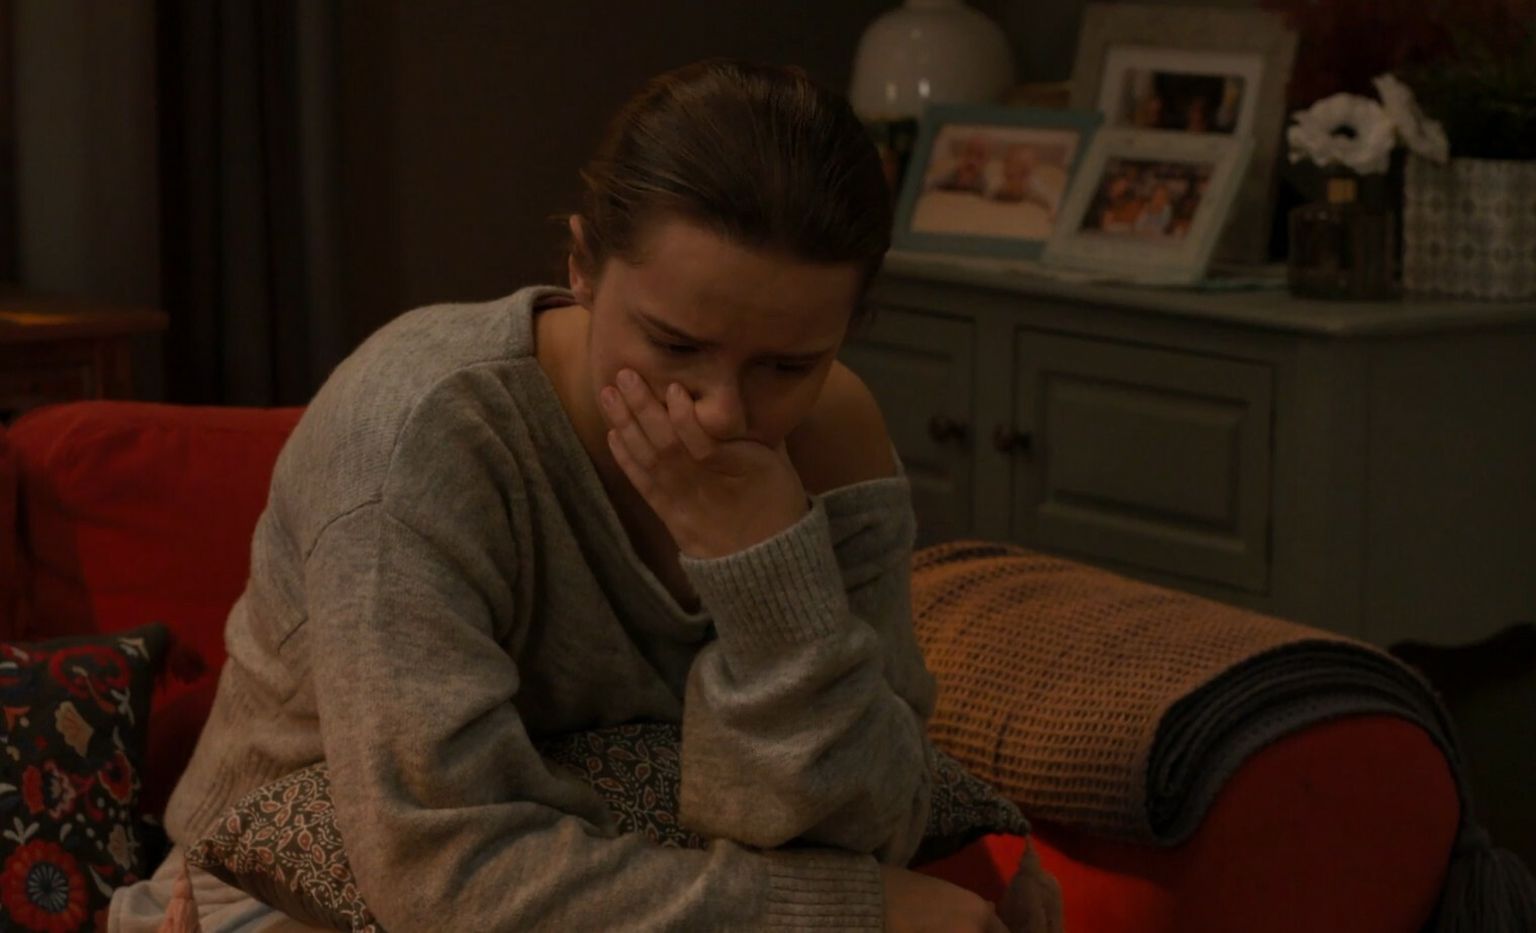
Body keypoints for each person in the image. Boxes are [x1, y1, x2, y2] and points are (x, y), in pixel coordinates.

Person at [108, 60, 1048, 932]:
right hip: (290, 894)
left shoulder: (833, 435)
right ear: (583, 265)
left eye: (789, 364)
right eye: (675, 344)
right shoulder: (422, 435)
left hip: (646, 878)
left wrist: (768, 578)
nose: (721, 412)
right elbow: (443, 873)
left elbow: (881, 814)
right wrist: (840, 912)